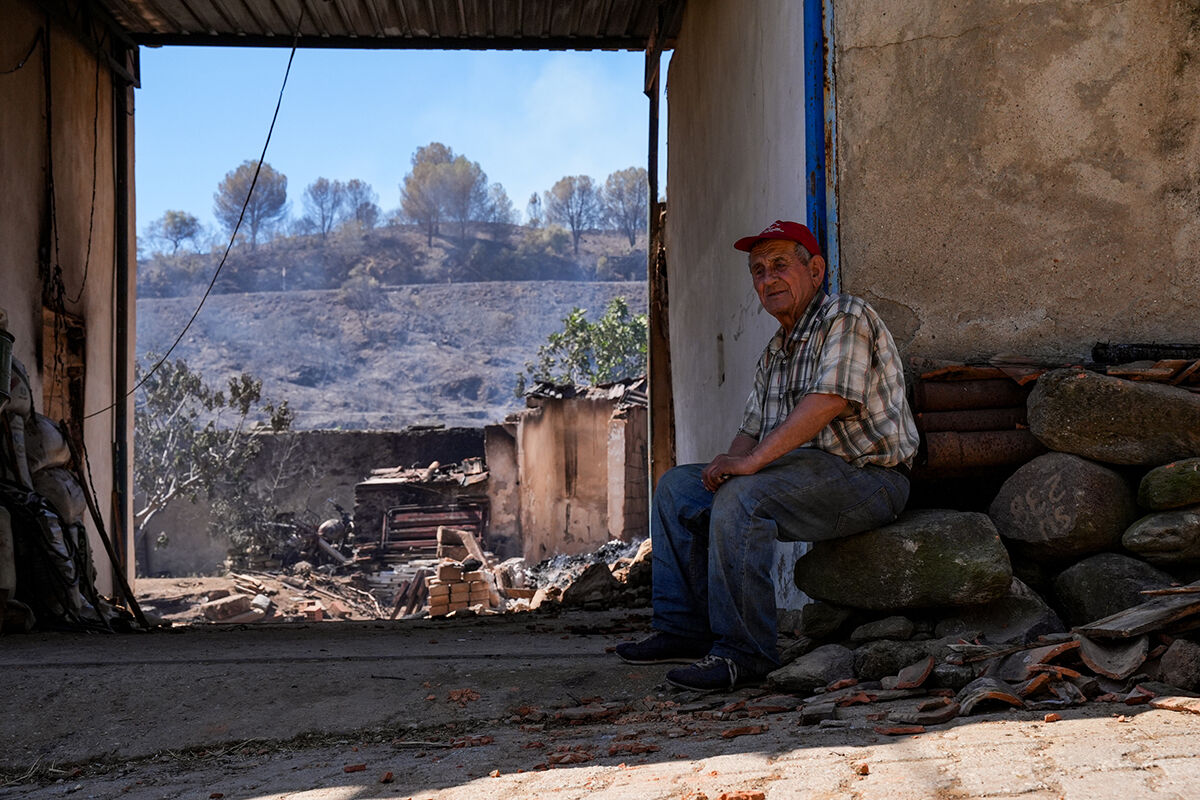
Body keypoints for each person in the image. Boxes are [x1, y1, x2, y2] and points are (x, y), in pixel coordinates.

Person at [615, 220, 919, 692]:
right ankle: (682, 629)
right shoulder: (774, 351)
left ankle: (745, 653)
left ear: (815, 270)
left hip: (869, 478)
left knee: (745, 495)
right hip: (802, 476)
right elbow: (749, 432)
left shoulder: (846, 315)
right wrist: (725, 465)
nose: (767, 278)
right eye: (757, 271)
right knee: (679, 487)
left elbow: (829, 401)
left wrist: (750, 465)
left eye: (779, 265)